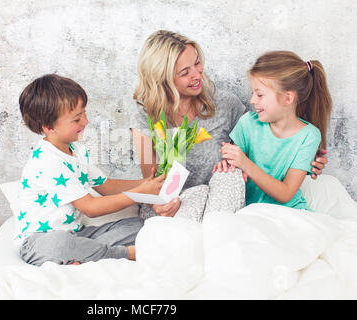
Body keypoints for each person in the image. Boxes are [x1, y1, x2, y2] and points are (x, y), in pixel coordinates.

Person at [130, 30, 328, 219]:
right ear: (162, 78)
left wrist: (307, 160)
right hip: (178, 206)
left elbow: (270, 131)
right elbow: (151, 180)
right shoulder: (144, 118)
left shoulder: (226, 104)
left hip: (223, 203)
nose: (197, 74)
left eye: (197, 63)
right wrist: (156, 204)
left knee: (229, 176)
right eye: (184, 72)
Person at [17, 74, 164, 265]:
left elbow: (107, 186)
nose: (85, 121)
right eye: (77, 119)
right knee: (60, 245)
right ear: (48, 127)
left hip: (79, 235)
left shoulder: (76, 150)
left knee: (138, 225)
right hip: (40, 241)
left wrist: (146, 183)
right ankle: (124, 254)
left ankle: (86, 256)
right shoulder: (47, 161)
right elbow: (91, 208)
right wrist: (138, 194)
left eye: (84, 113)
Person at [215, 51, 332, 210]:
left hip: (289, 212)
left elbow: (286, 193)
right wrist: (227, 165)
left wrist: (246, 164)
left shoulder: (309, 135)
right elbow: (234, 166)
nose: (252, 100)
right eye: (253, 93)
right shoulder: (248, 123)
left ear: (287, 98)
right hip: (249, 211)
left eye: (260, 94)